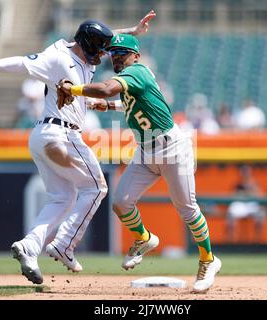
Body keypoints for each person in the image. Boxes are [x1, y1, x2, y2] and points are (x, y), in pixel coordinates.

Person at [0, 11, 156, 284]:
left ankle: (29, 247)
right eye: (100, 50)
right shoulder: (58, 56)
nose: (103, 56)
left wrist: (132, 32)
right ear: (87, 45)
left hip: (43, 135)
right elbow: (22, 63)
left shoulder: (82, 54)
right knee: (96, 187)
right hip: (62, 135)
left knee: (61, 199)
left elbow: (106, 38)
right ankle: (64, 244)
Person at [57, 34, 221, 293]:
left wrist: (73, 89)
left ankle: (208, 260)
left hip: (172, 149)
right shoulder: (131, 80)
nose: (116, 56)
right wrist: (108, 107)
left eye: (122, 51)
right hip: (145, 151)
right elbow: (132, 103)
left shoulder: (138, 71)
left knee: (187, 209)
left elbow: (109, 88)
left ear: (135, 55)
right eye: (113, 53)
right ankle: (144, 239)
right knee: (121, 202)